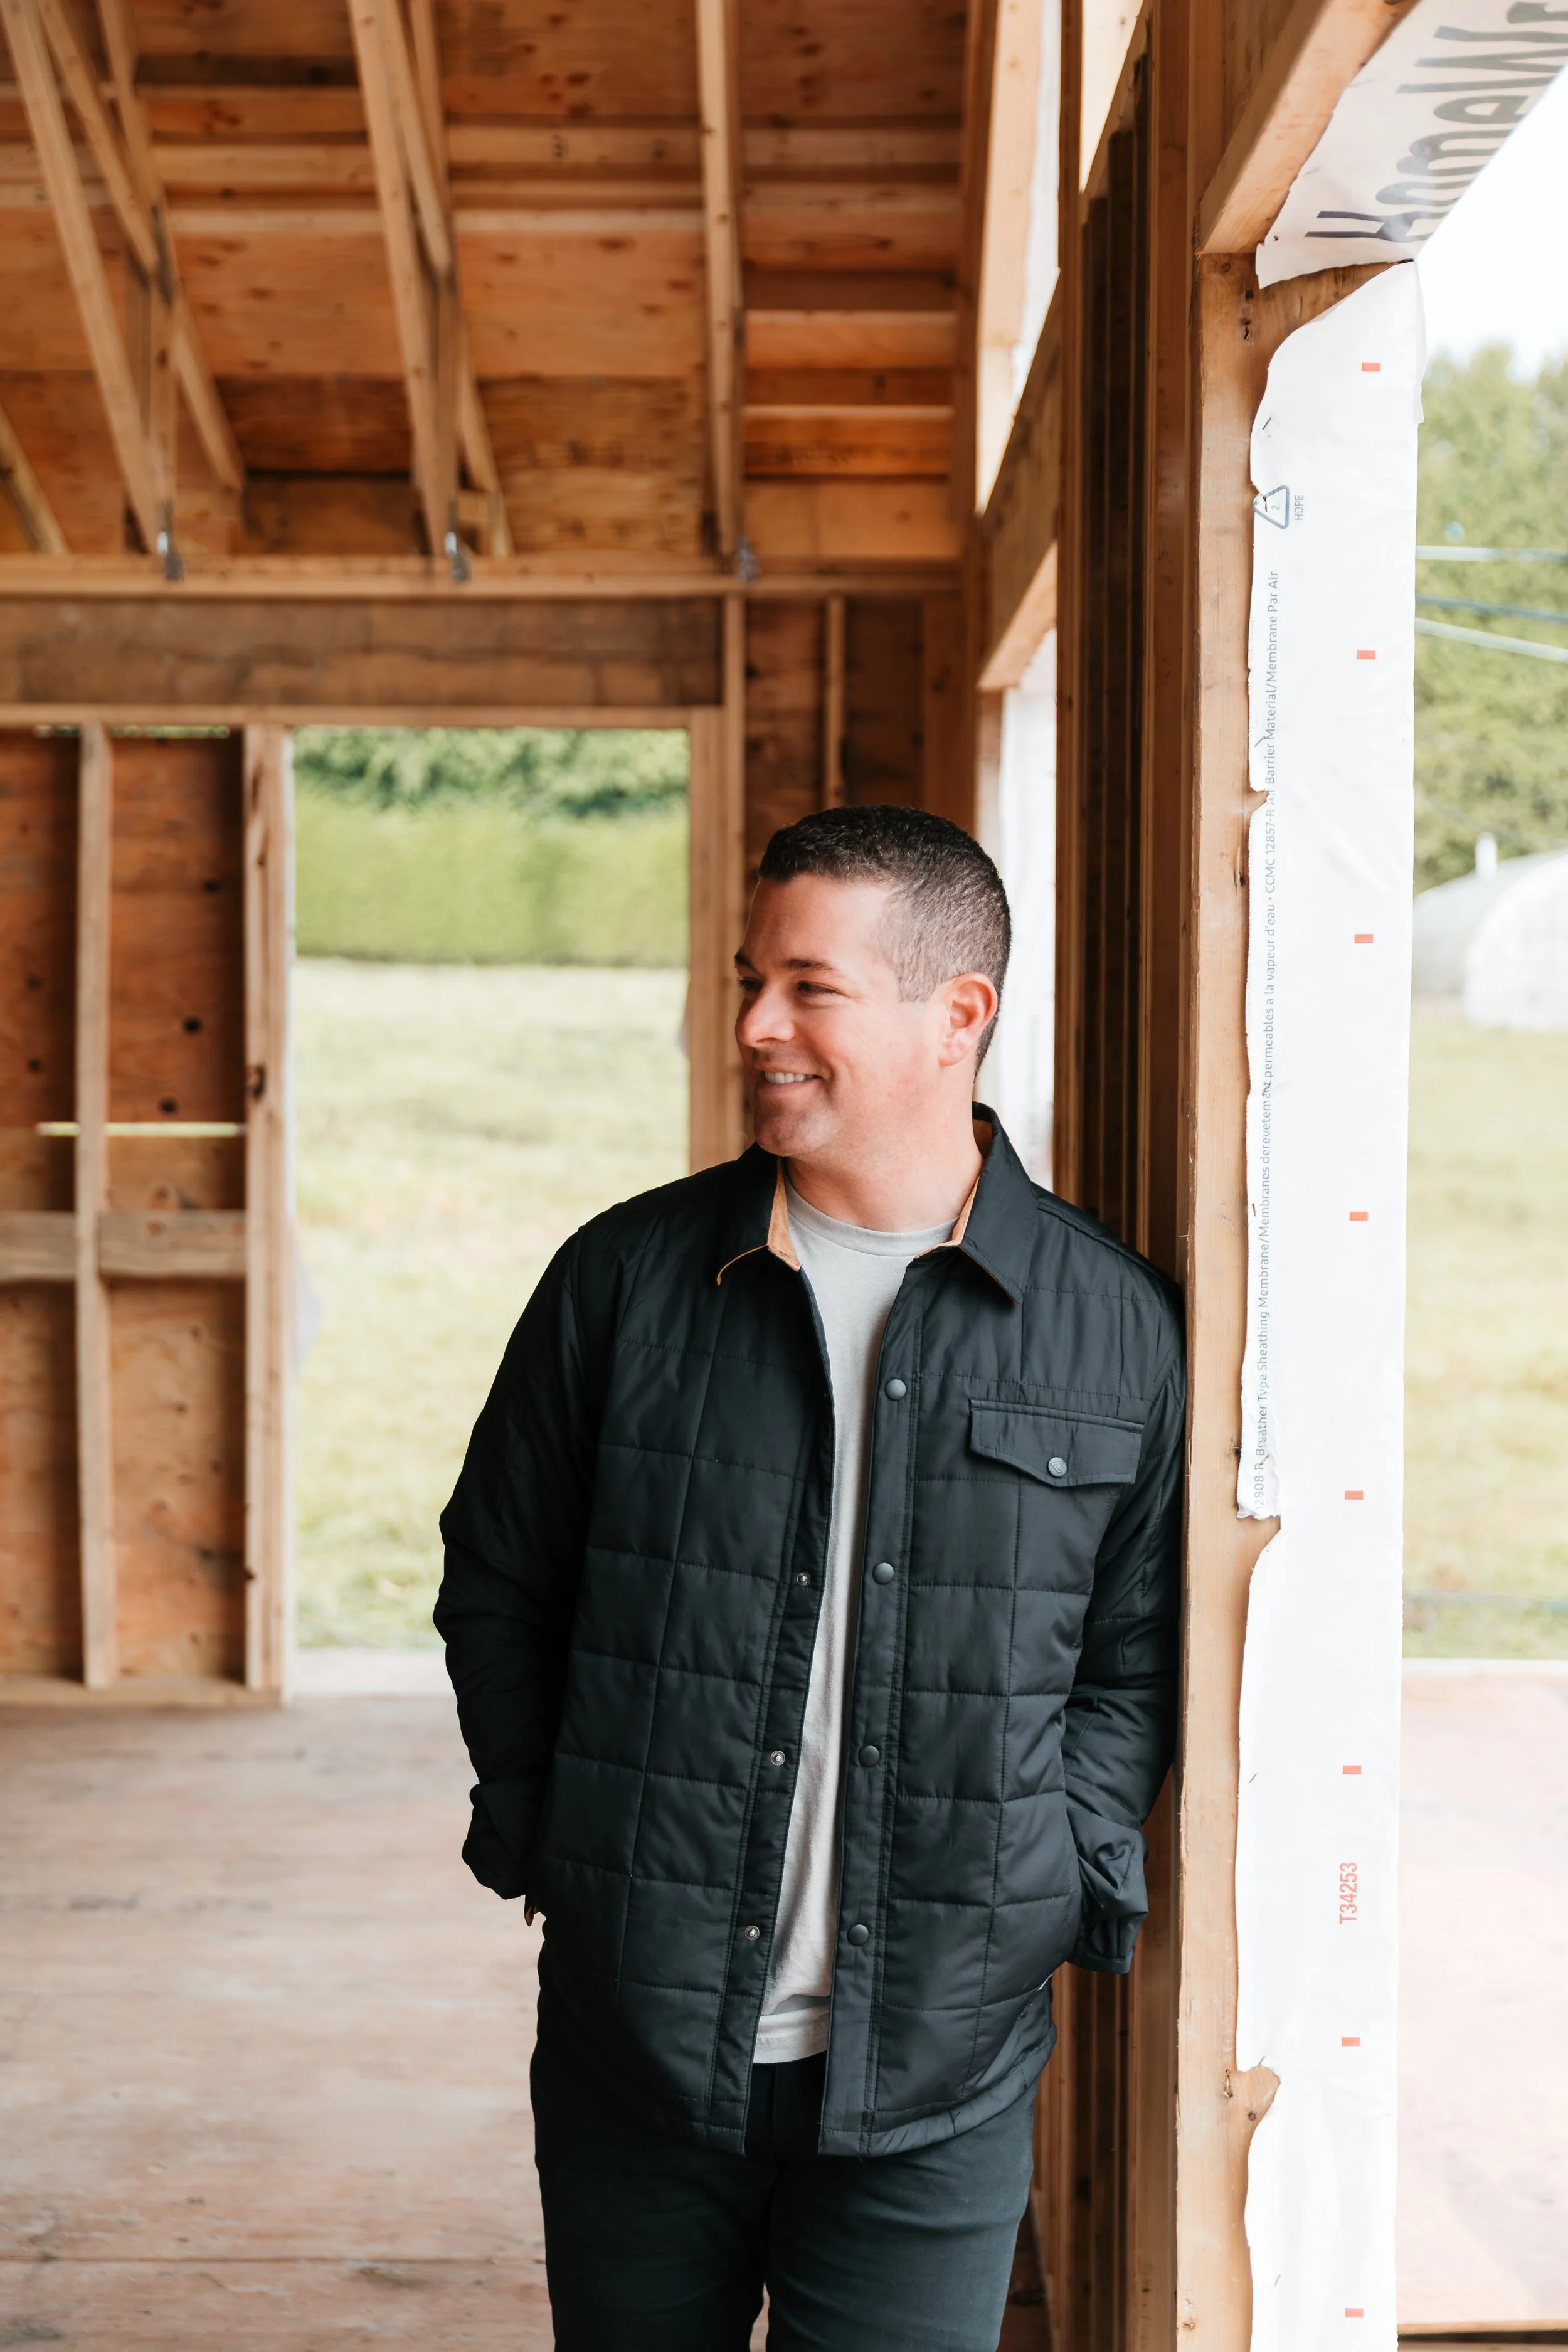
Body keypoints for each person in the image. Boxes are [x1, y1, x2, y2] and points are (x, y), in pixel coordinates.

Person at [436, 804, 1184, 2352]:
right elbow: (497, 1577)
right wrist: (558, 1830)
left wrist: (1052, 1870)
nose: (751, 1024)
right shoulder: (625, 1282)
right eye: (745, 977)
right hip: (633, 2052)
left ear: (952, 1016)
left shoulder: (1111, 1331)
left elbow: (1130, 1657)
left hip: (938, 2074)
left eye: (806, 986)